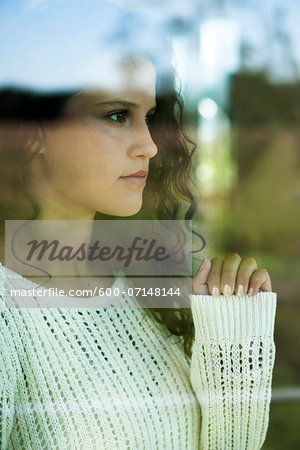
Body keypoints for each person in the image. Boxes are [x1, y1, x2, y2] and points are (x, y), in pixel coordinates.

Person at [0, 1, 276, 449]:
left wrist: (232, 343)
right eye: (116, 115)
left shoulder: (144, 289)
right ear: (31, 131)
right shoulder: (7, 317)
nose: (148, 146)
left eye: (148, 118)